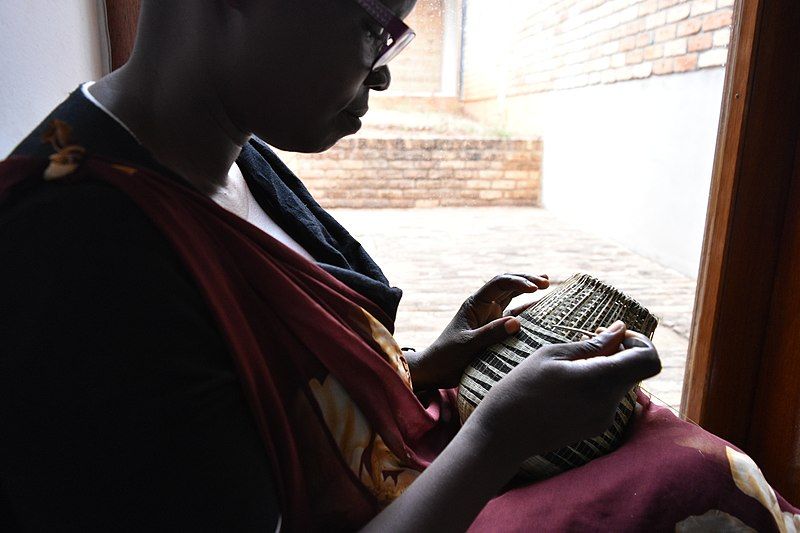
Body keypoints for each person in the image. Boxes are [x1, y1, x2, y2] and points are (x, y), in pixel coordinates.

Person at [0, 1, 796, 531]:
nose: (383, 68)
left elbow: (272, 395)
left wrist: (425, 362)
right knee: (702, 482)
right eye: (376, 23)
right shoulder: (74, 261)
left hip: (407, 468)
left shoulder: (230, 154)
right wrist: (496, 436)